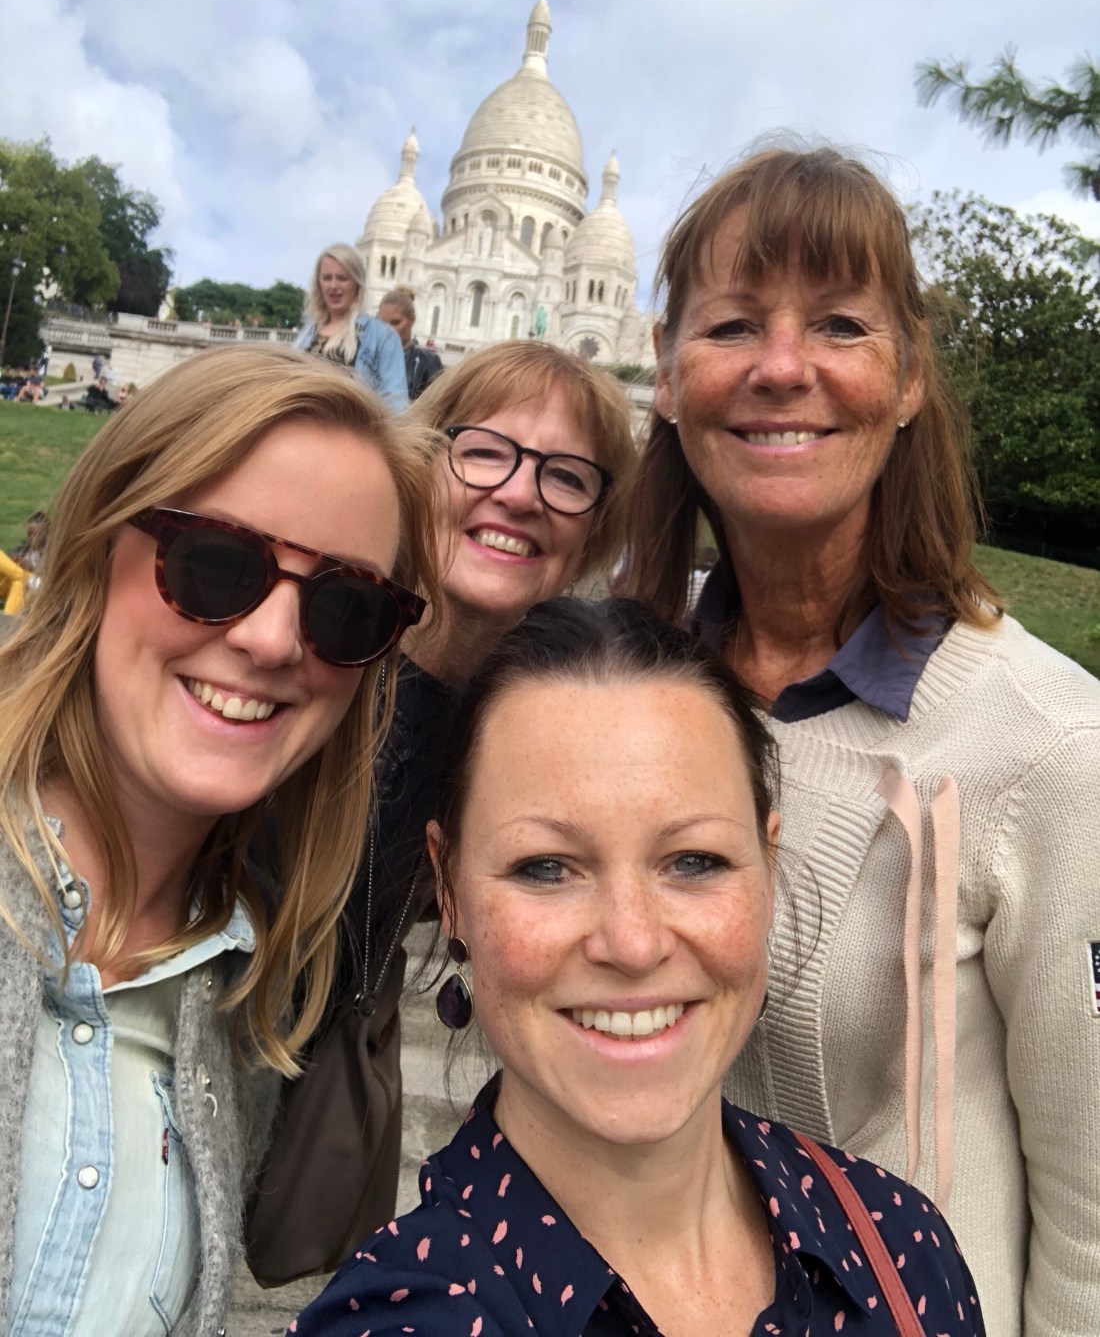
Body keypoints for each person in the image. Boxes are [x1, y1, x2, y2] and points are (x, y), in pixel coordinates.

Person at [619, 146, 1100, 1335]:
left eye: (838, 324)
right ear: (666, 374)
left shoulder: (1048, 745)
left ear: (907, 377)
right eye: (732, 325)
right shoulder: (620, 686)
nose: (781, 367)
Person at [292, 597, 985, 1336]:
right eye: (546, 867)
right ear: (450, 891)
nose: (632, 943)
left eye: (695, 861)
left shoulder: (899, 1245)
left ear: (767, 866)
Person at [0, 342, 437, 1335]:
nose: (273, 640)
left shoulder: (246, 999)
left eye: (345, 608)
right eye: (215, 564)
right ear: (96, 544)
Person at [249, 340, 636, 1278]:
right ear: (426, 465)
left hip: (313, 1079)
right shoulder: (314, 626)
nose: (521, 493)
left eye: (566, 476)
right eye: (486, 452)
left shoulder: (534, 725)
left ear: (593, 529)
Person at [295, 243, 409, 411]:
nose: (333, 286)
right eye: (327, 278)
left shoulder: (383, 336)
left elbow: (396, 404)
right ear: (318, 283)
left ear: (357, 282)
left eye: (342, 278)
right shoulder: (307, 332)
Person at [378, 285, 444, 400]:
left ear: (412, 319)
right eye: (382, 324)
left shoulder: (428, 362)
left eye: (395, 323)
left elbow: (438, 405)